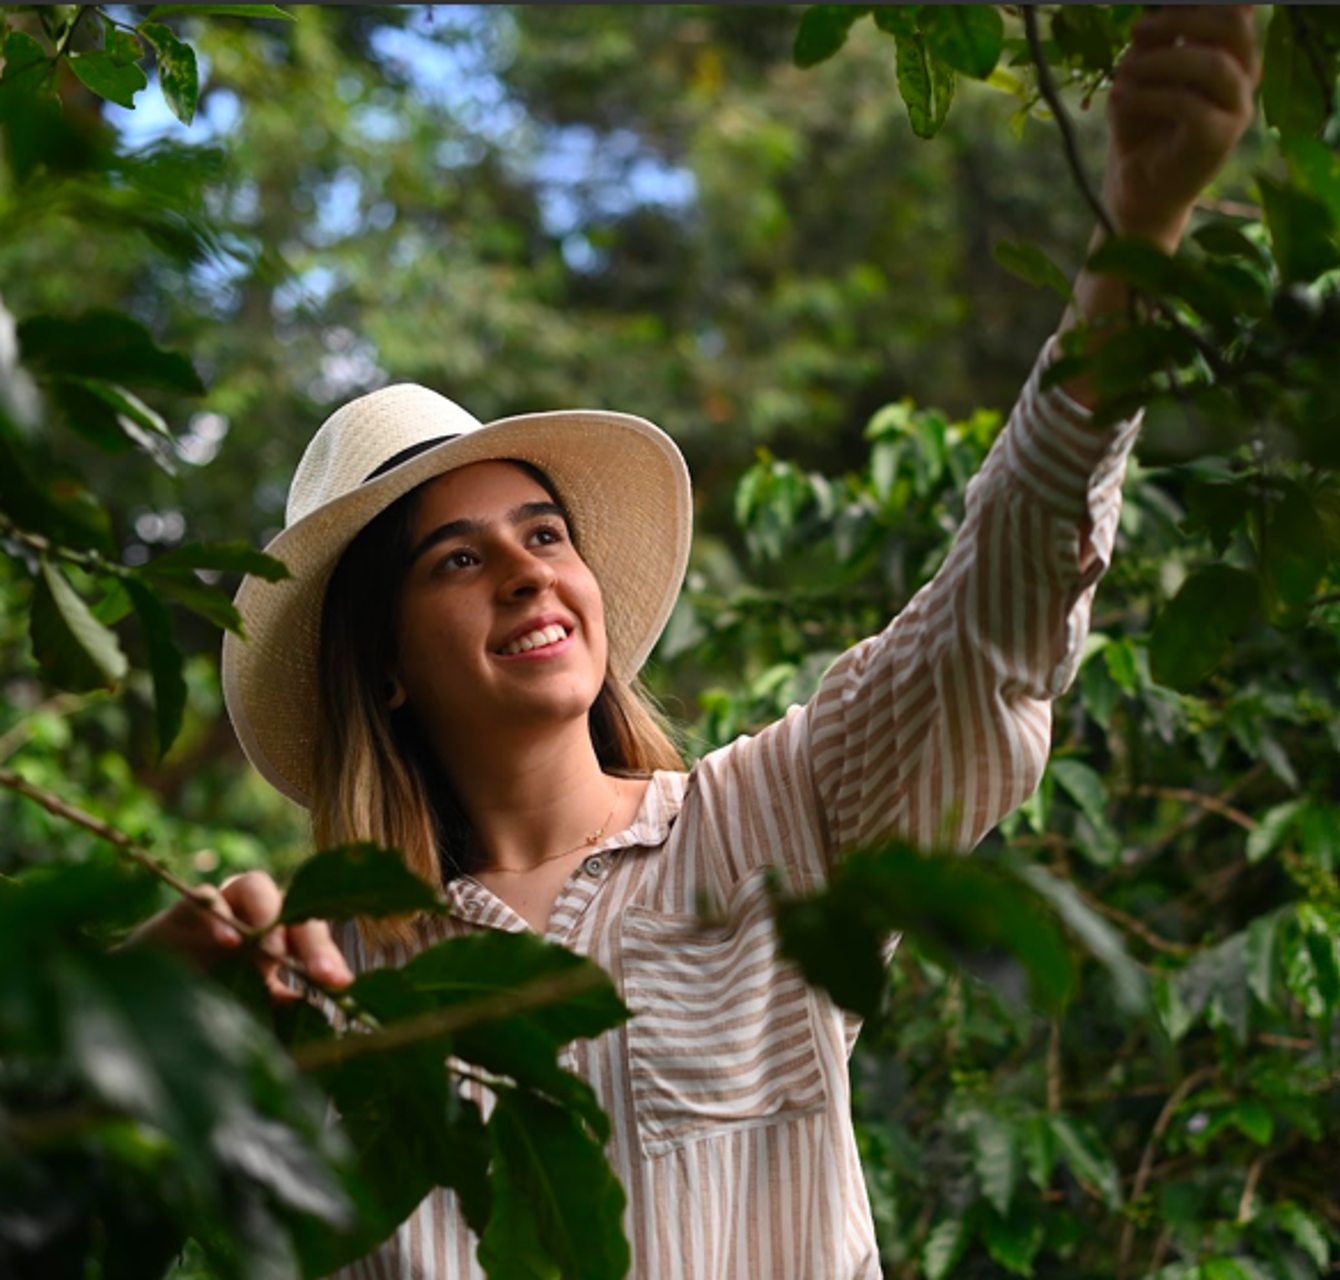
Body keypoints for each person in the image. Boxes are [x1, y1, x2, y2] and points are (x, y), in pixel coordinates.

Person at [133, 7, 1260, 1277]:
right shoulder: (330, 974)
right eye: (457, 558)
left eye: (547, 532)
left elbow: (993, 619)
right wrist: (150, 1016)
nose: (524, 569)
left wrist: (1135, 242)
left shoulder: (783, 822)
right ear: (383, 663)